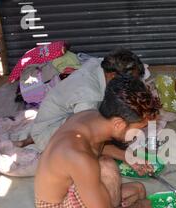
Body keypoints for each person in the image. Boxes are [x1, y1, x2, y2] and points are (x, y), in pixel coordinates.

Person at [34, 74, 160, 208]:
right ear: (118, 124)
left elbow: (97, 146)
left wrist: (129, 158)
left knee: (138, 190)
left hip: (71, 195)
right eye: (138, 128)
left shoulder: (91, 118)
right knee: (108, 168)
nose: (139, 134)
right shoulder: (80, 157)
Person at [15, 48, 145, 152]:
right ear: (113, 75)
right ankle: (36, 140)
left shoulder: (99, 64)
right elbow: (89, 135)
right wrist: (124, 154)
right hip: (49, 136)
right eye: (128, 80)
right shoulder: (89, 96)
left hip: (54, 117)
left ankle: (31, 139)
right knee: (104, 134)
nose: (130, 84)